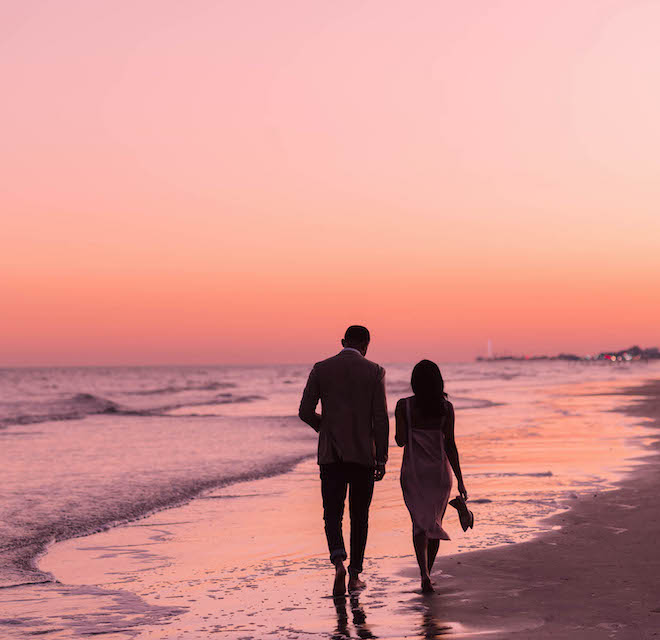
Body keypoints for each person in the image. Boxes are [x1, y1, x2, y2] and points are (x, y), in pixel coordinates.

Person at [299, 325, 389, 596]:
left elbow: (304, 411)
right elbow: (381, 418)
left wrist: (324, 428)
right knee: (359, 516)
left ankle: (338, 562)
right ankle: (354, 576)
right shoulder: (375, 371)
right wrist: (381, 456)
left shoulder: (321, 368)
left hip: (331, 455)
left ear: (342, 342)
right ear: (366, 345)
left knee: (332, 514)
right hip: (363, 456)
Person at [395, 360, 467, 593]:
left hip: (414, 473)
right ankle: (429, 572)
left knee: (419, 524)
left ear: (414, 382)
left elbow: (400, 440)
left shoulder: (403, 406)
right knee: (435, 524)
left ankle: (423, 573)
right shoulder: (446, 408)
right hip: (439, 474)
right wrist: (461, 480)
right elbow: (451, 446)